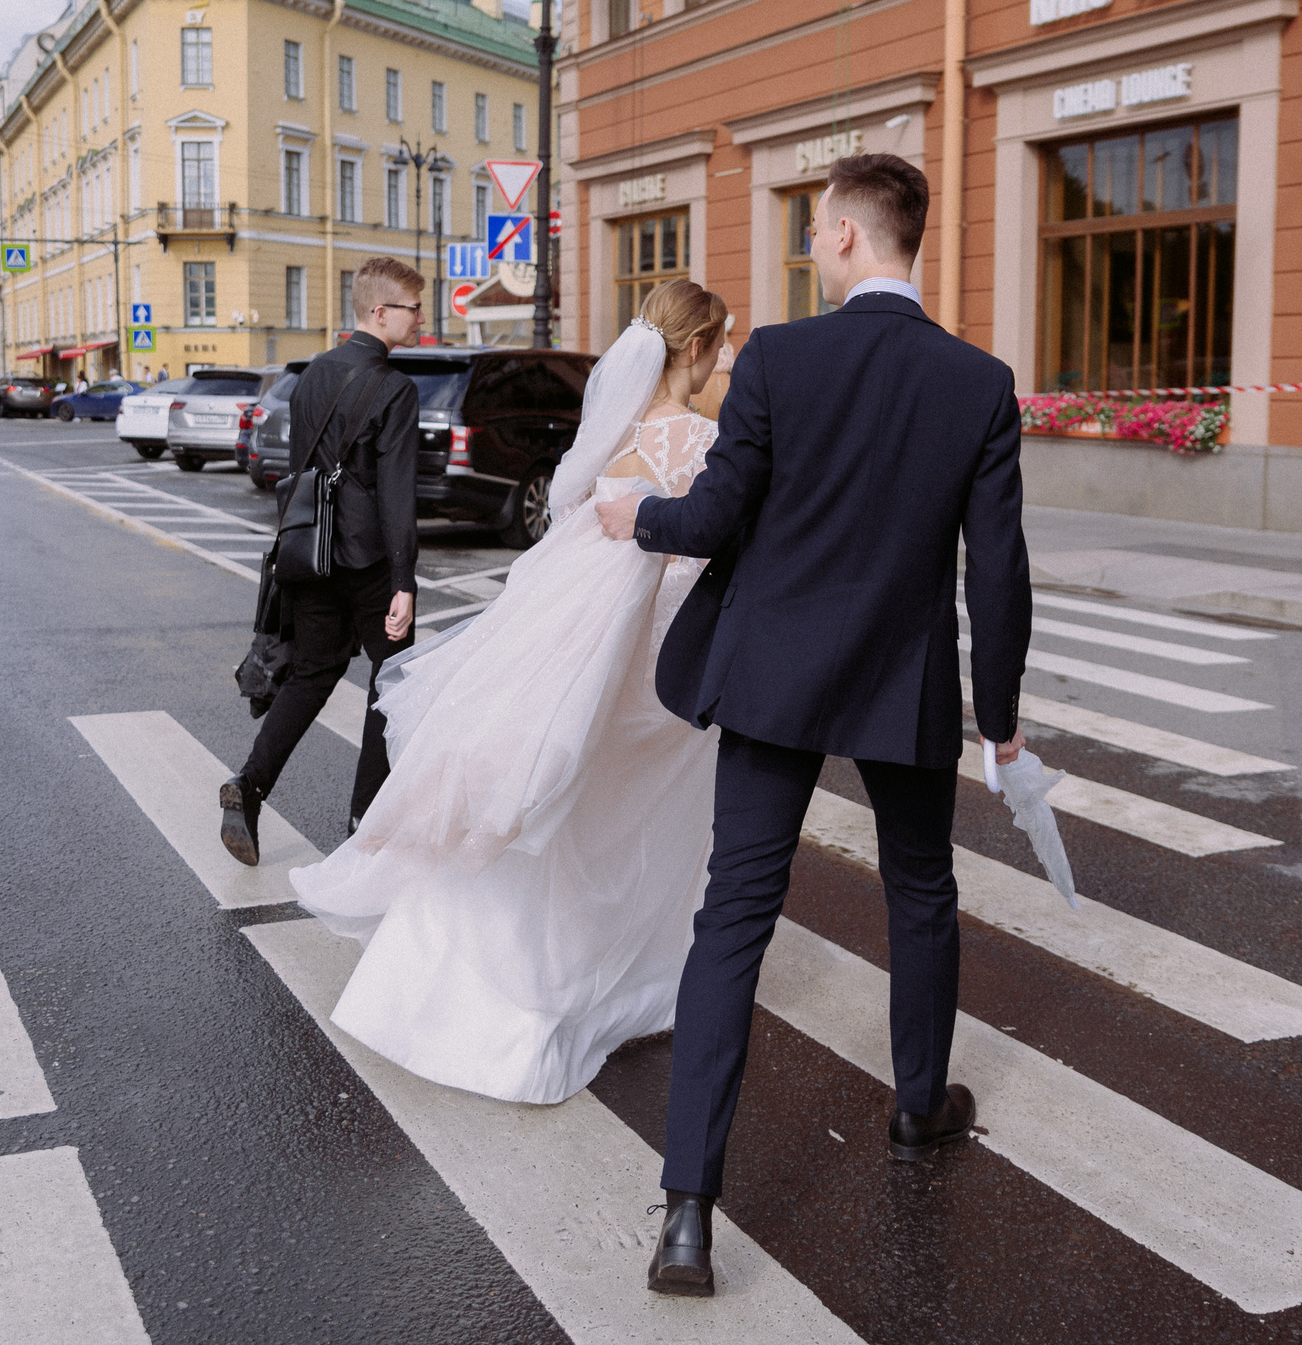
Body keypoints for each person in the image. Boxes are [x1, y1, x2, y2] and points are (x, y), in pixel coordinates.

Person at [595, 152, 1033, 1299]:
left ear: (842, 234)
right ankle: (918, 1103)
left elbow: (716, 512)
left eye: (815, 230)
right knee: (920, 891)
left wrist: (636, 513)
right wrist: (1004, 718)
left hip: (776, 671)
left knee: (732, 914)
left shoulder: (782, 355)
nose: (813, 247)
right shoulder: (978, 380)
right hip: (906, 675)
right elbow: (1000, 570)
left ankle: (688, 1208)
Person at [291, 282, 731, 1106]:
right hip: (652, 663)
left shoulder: (611, 436)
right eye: (724, 342)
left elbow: (569, 522)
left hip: (569, 646)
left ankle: (430, 995)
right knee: (624, 825)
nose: (726, 358)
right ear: (697, 347)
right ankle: (601, 990)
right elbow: (701, 555)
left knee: (546, 815)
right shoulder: (702, 443)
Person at [221, 256, 425, 863]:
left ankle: (249, 787)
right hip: (367, 561)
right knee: (391, 683)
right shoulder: (395, 387)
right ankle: (366, 821)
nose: (420, 319)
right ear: (380, 312)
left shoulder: (310, 374)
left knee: (311, 675)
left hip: (309, 552)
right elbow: (396, 492)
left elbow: (301, 466)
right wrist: (403, 580)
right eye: (413, 309)